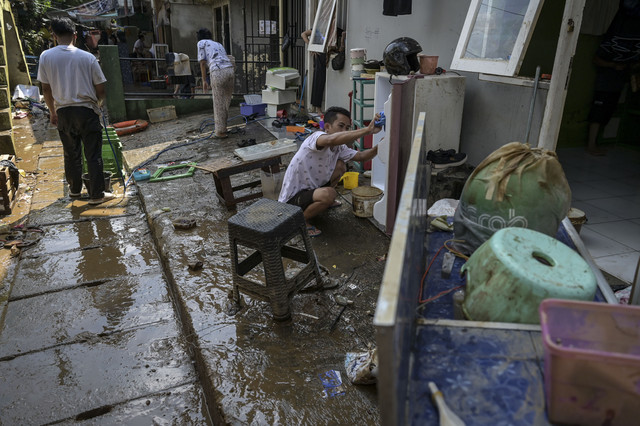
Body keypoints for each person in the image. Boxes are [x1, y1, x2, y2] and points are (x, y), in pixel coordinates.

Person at [37, 17, 114, 205]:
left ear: (54, 36)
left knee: (71, 154)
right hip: (87, 110)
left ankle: (75, 191)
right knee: (93, 154)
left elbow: (45, 89)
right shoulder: (88, 57)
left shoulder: (45, 57)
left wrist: (52, 111)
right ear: (75, 35)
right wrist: (99, 104)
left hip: (63, 112)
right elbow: (101, 89)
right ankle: (96, 195)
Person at [278, 106, 382, 237]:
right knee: (329, 194)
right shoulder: (316, 137)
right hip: (293, 199)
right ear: (327, 127)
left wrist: (380, 146)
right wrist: (367, 130)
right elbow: (331, 139)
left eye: (347, 128)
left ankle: (322, 200)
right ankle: (301, 221)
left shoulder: (339, 147)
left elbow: (361, 157)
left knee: (341, 166)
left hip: (312, 190)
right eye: (341, 126)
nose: (345, 131)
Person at [587, 0, 640, 155]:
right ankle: (591, 145)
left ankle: (594, 144)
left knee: (606, 113)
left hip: (616, 84)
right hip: (605, 83)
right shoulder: (612, 38)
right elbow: (596, 59)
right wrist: (612, 66)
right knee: (598, 114)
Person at [197, 28, 234, 139]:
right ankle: (224, 128)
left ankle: (220, 132)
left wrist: (204, 80)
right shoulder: (218, 44)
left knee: (218, 104)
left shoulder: (201, 43)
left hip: (218, 72)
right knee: (226, 102)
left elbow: (203, 63)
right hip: (230, 71)